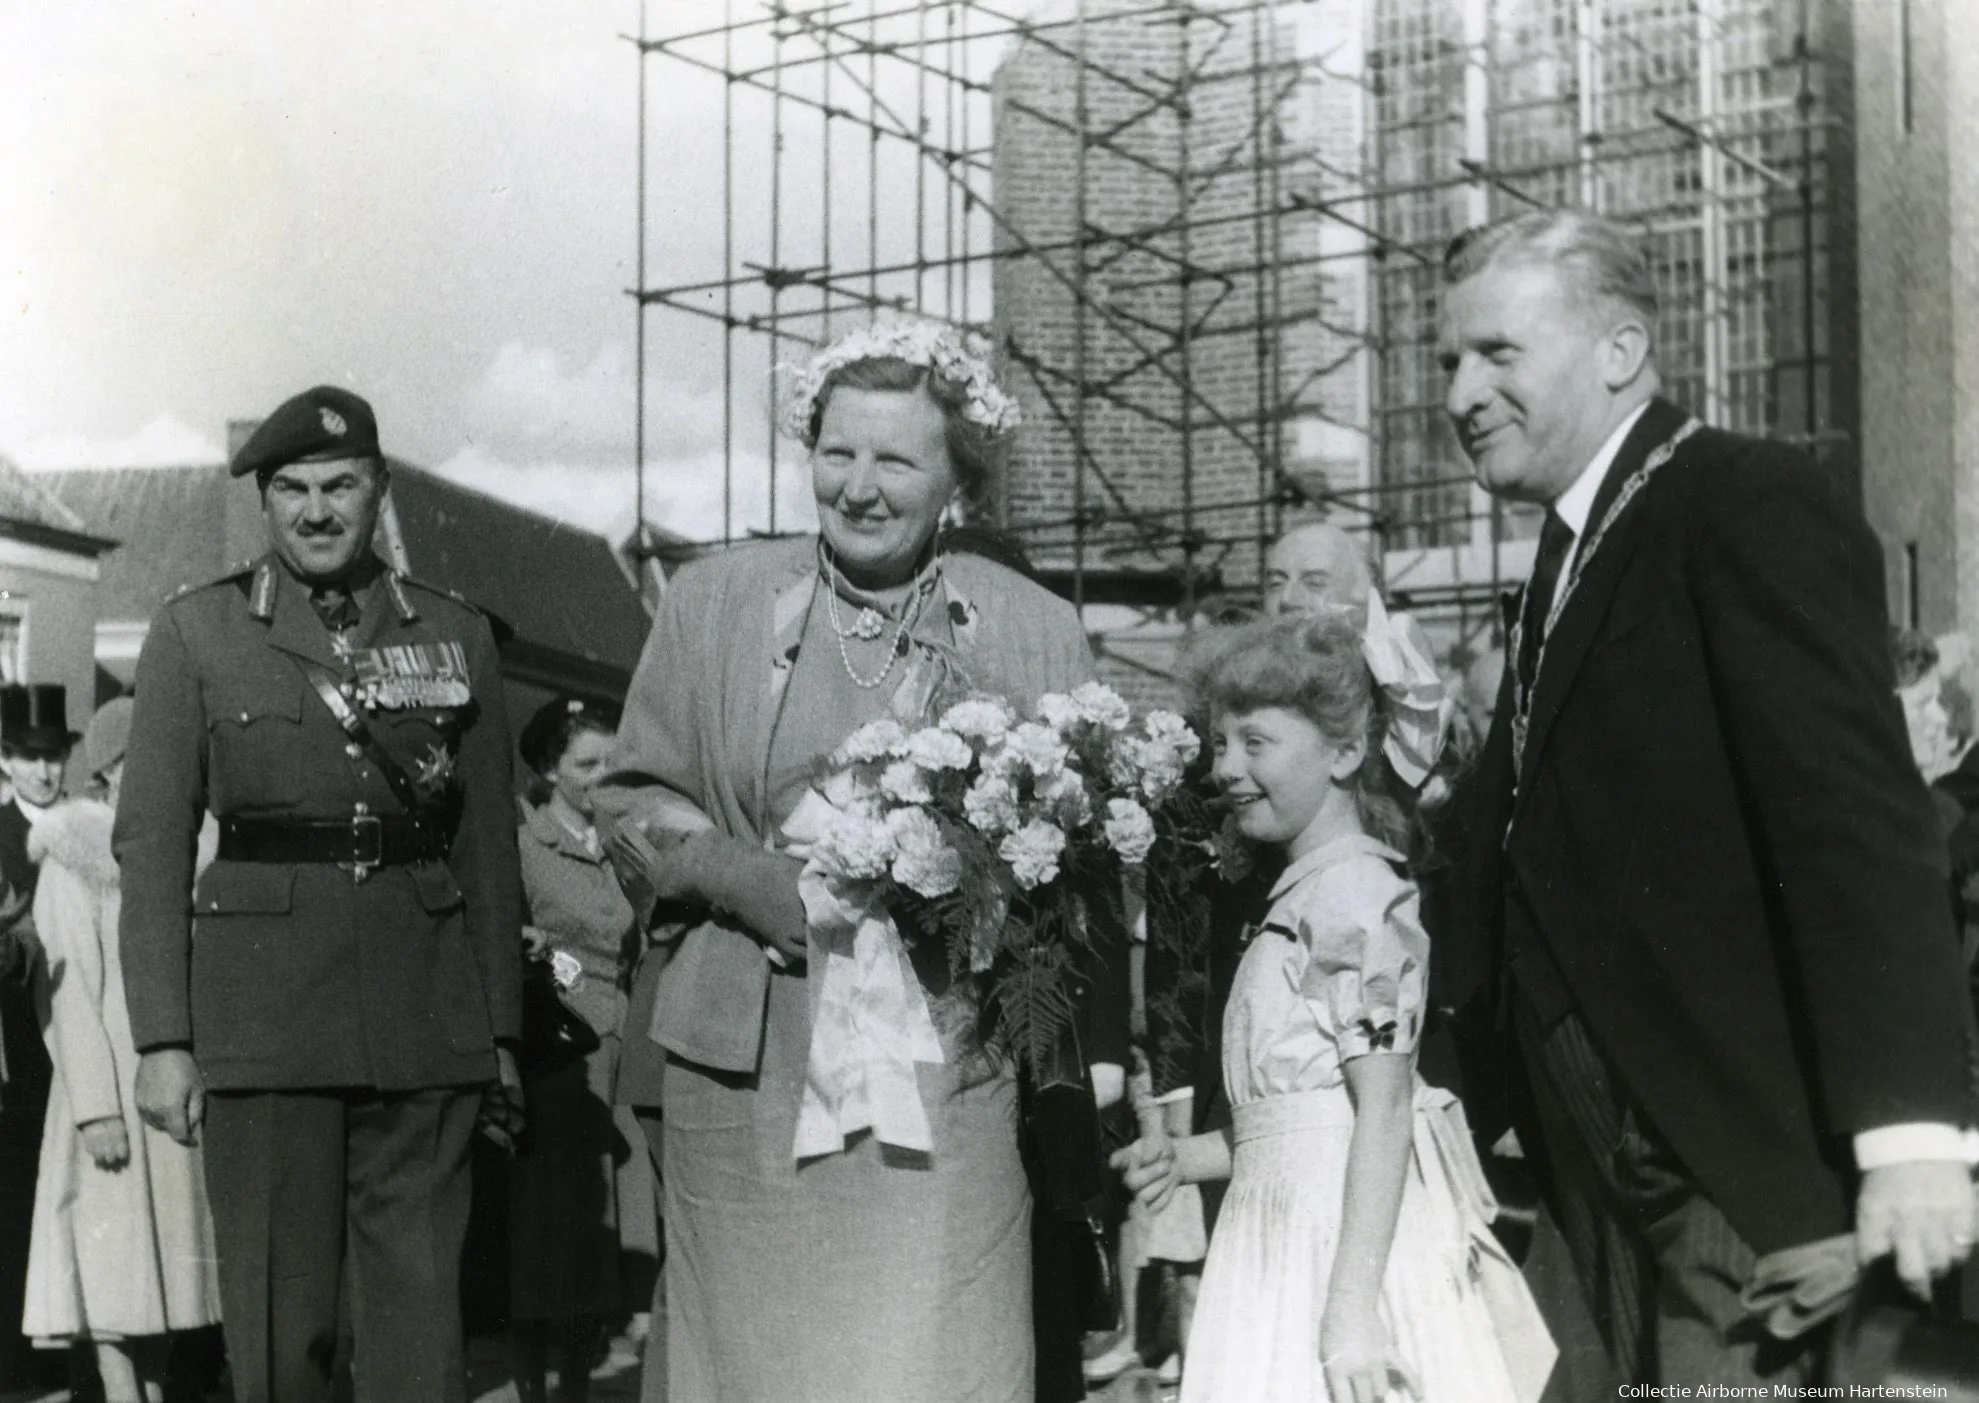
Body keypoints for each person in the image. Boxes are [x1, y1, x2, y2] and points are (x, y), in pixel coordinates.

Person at [1433, 208, 1978, 1387]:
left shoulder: (1736, 498)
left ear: (1619, 350)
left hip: (1734, 1176)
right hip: (1597, 1195)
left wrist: (1912, 1138)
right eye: (1447, 362)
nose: (1459, 392)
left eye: (1495, 352)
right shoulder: (1564, 561)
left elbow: (1852, 822)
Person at [594, 319, 1124, 1403]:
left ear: (954, 483)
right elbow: (627, 800)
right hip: (746, 1064)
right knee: (749, 1357)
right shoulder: (711, 604)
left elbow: (1081, 879)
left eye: (896, 460)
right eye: (837, 453)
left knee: (929, 1350)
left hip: (948, 1065)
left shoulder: (1031, 627)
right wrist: (751, 881)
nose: (859, 486)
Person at [115, 385, 526, 1403]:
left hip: (423, 1012)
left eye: (340, 484)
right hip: (264, 1017)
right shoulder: (198, 632)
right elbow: (153, 844)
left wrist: (500, 1032)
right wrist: (163, 1037)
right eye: (291, 488)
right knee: (277, 1325)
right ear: (265, 502)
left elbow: (485, 849)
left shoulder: (452, 633)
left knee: (419, 1327)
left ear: (378, 488)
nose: (316, 510)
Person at [1114, 612, 1546, 1403]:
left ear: (1345, 752)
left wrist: (1349, 1311)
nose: (1227, 768)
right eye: (1218, 743)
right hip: (1273, 1238)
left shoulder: (1356, 900)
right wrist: (1186, 1157)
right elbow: (1289, 1115)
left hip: (1338, 1251)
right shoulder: (1294, 898)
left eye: (1256, 742)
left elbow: (1380, 1112)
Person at [22, 698, 223, 1402]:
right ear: (109, 770)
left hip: (172, 1087)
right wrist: (96, 1110)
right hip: (103, 1084)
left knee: (164, 1265)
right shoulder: (77, 850)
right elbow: (68, 992)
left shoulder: (196, 849)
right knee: (111, 1257)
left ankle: (150, 1389)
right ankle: (117, 1388)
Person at [510, 696, 659, 1403]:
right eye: (586, 764)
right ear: (549, 769)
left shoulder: (625, 842)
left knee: (611, 1242)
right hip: (560, 1053)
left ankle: (580, 1388)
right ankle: (537, 1389)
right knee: (555, 1230)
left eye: (612, 761)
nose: (603, 776)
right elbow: (507, 933)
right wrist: (534, 948)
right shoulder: (523, 845)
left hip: (623, 1045)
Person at [0, 683, 76, 1391]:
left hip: (82, 1037)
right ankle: (21, 1362)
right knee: (19, 1193)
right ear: (6, 759)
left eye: (54, 757)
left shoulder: (89, 828)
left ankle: (79, 1352)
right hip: (16, 1040)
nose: (44, 772)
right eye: (30, 756)